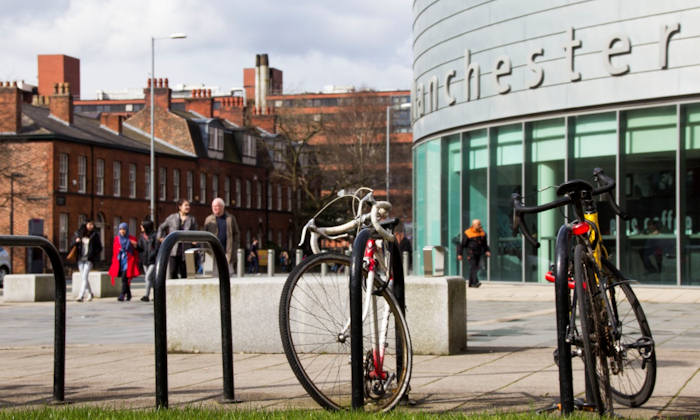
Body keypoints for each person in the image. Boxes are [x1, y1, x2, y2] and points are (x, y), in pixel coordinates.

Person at [158, 198, 198, 279]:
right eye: (186, 205)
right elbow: (161, 227)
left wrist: (195, 240)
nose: (188, 207)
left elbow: (196, 231)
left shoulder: (192, 219)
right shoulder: (172, 217)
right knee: (173, 272)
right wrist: (161, 238)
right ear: (180, 207)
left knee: (185, 273)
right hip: (174, 250)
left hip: (186, 250)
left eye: (189, 205)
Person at [204, 197, 240, 276]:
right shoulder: (208, 219)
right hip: (213, 252)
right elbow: (204, 235)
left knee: (228, 274)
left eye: (217, 206)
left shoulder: (230, 218)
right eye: (213, 206)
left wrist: (235, 247)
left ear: (222, 207)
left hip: (227, 253)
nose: (215, 208)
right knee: (213, 275)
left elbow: (236, 233)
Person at [108, 222, 141, 301]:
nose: (122, 231)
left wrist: (135, 245)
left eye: (124, 229)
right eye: (120, 229)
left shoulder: (132, 239)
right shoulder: (117, 239)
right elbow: (114, 251)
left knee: (124, 278)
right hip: (120, 261)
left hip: (128, 261)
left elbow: (138, 250)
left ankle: (122, 295)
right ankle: (129, 294)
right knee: (125, 278)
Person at [72, 220, 103, 302]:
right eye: (90, 224)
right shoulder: (78, 234)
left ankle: (81, 295)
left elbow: (99, 247)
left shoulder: (95, 235)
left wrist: (93, 254)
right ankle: (90, 293)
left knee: (85, 276)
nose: (91, 226)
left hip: (89, 259)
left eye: (92, 224)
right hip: (80, 258)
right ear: (86, 225)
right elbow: (71, 245)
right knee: (83, 277)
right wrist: (76, 241)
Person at [457, 219, 491, 288]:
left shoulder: (482, 233)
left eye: (480, 224)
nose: (480, 225)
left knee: (475, 268)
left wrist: (487, 251)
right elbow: (462, 244)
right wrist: (460, 254)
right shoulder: (468, 233)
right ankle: (475, 282)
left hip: (479, 253)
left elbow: (484, 244)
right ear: (474, 225)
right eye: (478, 224)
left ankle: (471, 283)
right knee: (473, 267)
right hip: (471, 253)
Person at [136, 219, 159, 302]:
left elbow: (156, 248)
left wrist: (153, 255)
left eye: (142, 226)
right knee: (151, 279)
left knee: (148, 277)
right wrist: (136, 246)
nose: (141, 227)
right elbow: (140, 248)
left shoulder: (155, 236)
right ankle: (156, 295)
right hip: (145, 260)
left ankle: (146, 295)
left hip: (152, 260)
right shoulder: (142, 236)